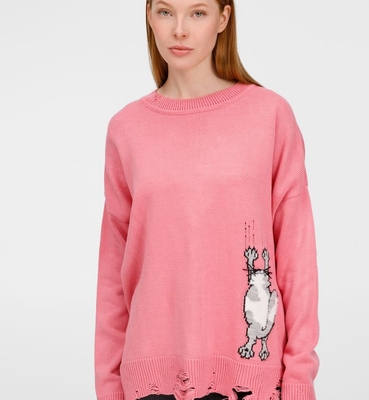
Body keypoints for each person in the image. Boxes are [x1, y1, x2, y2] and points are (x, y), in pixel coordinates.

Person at [94, 1, 319, 400]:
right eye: (166, 11)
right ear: (149, 15)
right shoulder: (126, 129)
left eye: (197, 12)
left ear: (223, 18)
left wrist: (299, 380)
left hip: (250, 377)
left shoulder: (270, 116)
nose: (179, 29)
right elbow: (113, 275)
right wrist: (109, 387)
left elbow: (296, 260)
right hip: (150, 379)